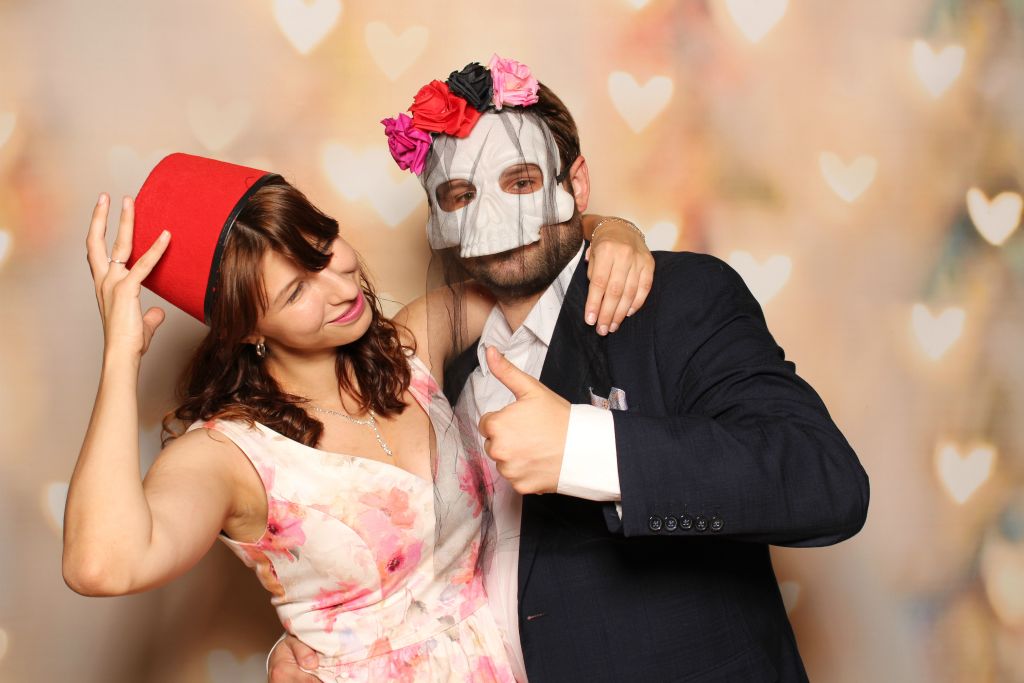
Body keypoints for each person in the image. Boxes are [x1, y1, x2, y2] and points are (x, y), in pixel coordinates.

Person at [271, 55, 870, 682]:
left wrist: (587, 449)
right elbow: (403, 548)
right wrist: (326, 644)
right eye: (462, 195)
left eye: (521, 182)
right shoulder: (438, 364)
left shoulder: (676, 299)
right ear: (437, 217)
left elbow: (826, 483)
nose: (494, 218)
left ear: (575, 185)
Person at [61, 152, 654, 682]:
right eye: (296, 292)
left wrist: (615, 232)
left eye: (324, 251)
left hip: (515, 657)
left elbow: (538, 264)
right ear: (244, 329)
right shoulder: (231, 455)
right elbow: (101, 565)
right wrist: (120, 356)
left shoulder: (411, 350)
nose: (340, 290)